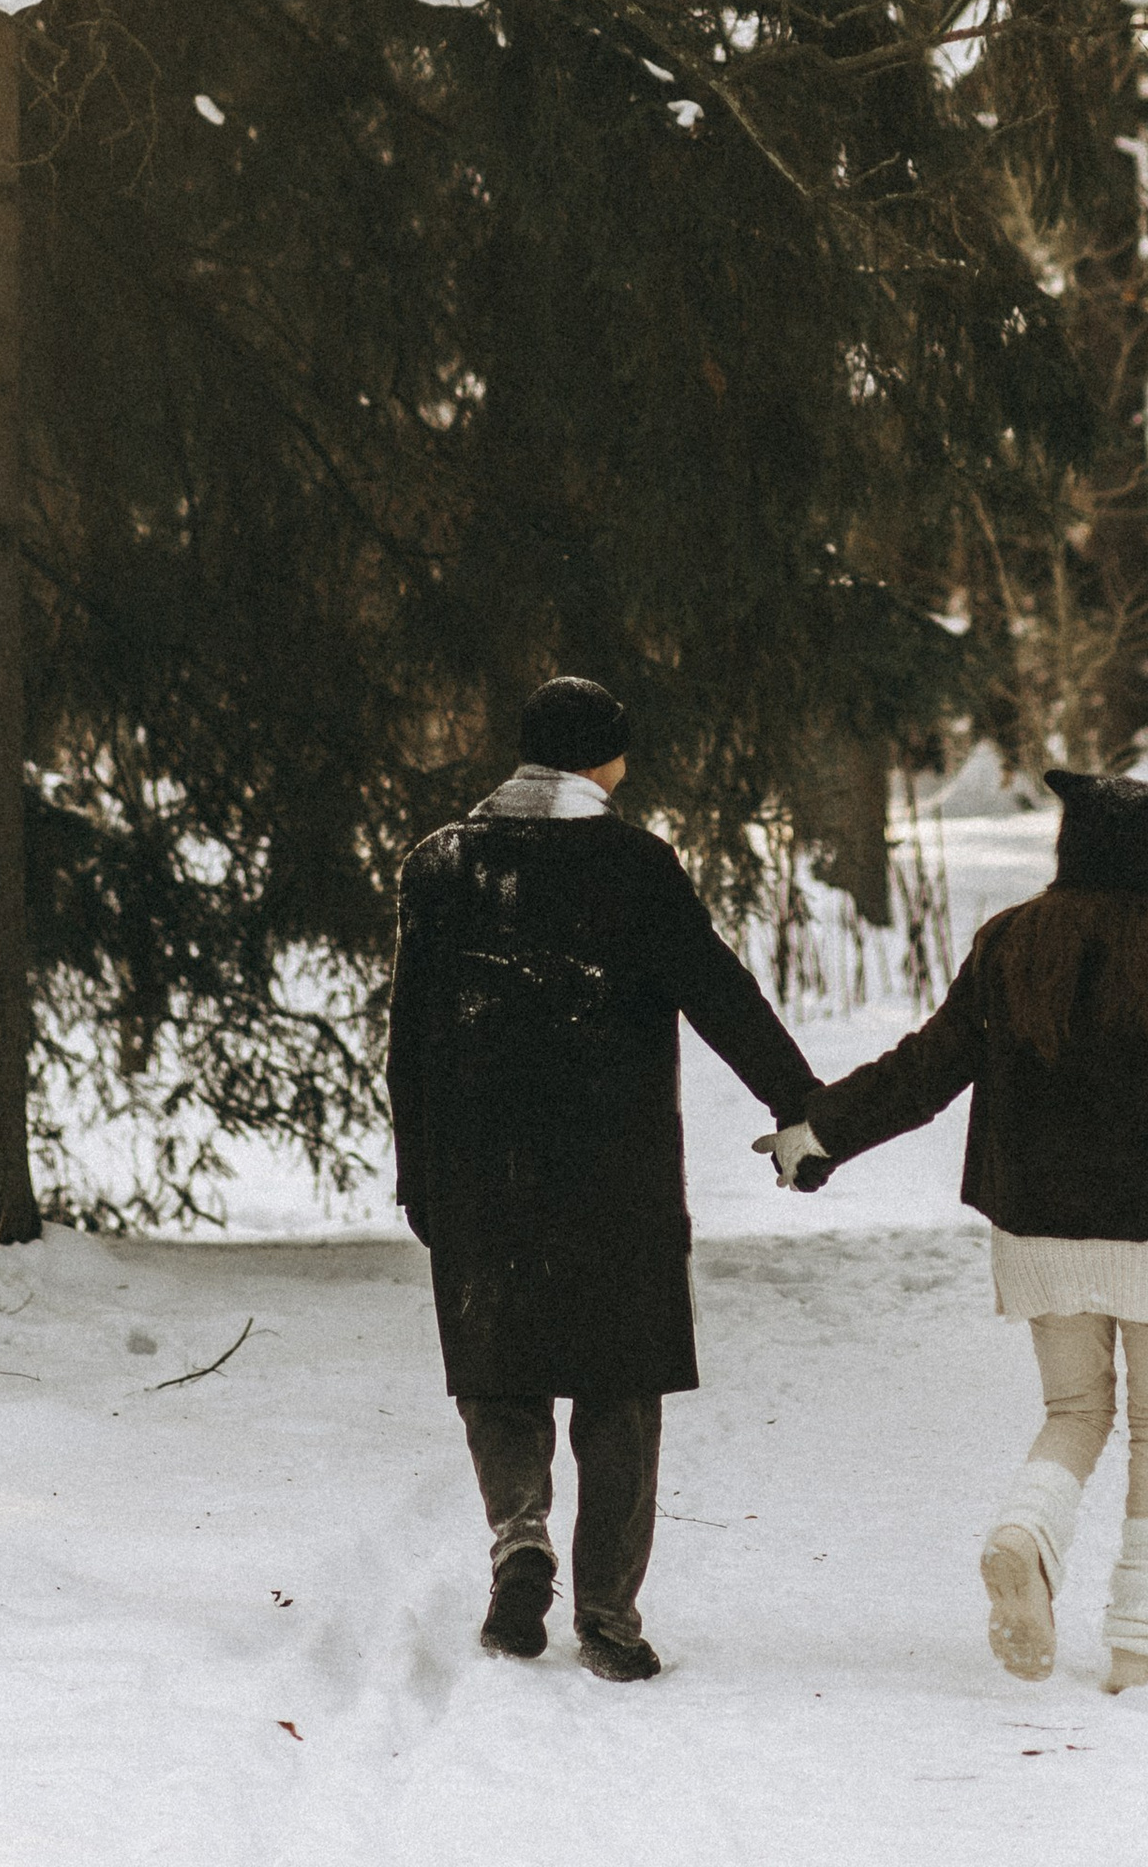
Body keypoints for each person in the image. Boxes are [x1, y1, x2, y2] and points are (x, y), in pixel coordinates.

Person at [754, 768, 1148, 1693]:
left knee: (1075, 1413)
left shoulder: (1011, 945)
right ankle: (1141, 1644)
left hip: (1042, 1230)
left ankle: (1026, 1535)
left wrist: (821, 1132)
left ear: (1066, 847)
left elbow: (926, 1070)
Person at [388, 674, 826, 1683]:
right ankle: (609, 1619)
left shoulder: (440, 865)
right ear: (604, 760)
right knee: (619, 1389)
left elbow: (410, 1037)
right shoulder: (634, 865)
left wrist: (420, 1172)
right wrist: (800, 1105)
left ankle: (519, 1538)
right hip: (613, 1170)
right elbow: (718, 993)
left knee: (499, 1371)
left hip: (480, 1165)